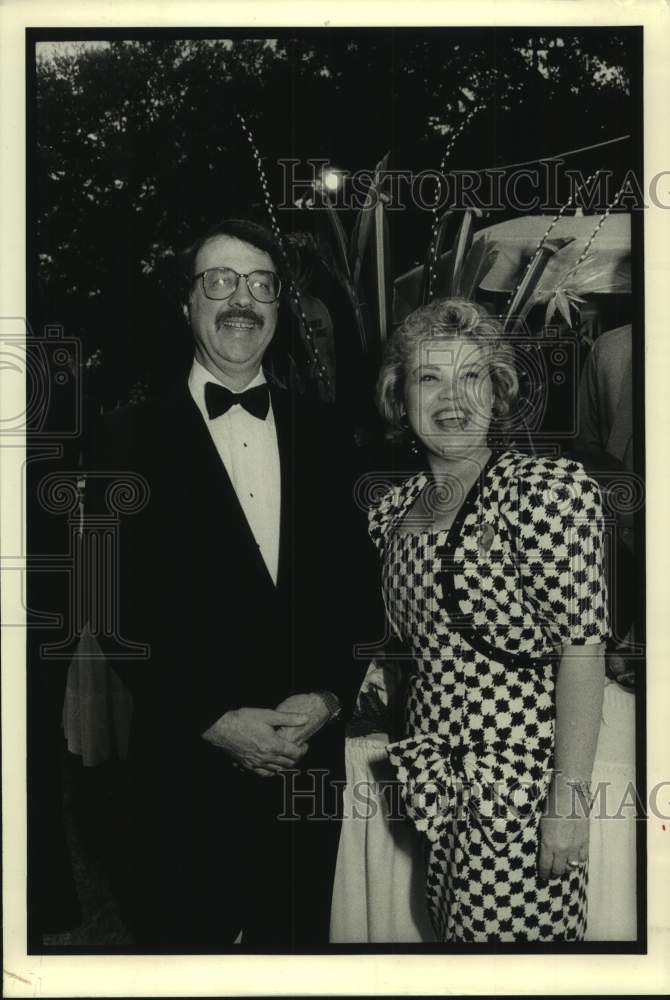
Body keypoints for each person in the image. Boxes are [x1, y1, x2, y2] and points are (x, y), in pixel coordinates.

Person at [89, 218, 370, 949]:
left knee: (297, 955)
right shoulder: (125, 437)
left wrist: (330, 694)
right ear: (187, 304)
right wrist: (213, 719)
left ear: (280, 308)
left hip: (306, 764)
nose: (241, 300)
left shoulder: (333, 435)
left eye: (261, 285)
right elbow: (110, 603)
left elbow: (359, 589)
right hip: (183, 770)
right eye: (220, 281)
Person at [366, 297, 609, 942]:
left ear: (499, 392)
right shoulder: (389, 513)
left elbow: (582, 652)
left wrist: (568, 805)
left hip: (520, 794)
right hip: (436, 792)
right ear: (399, 396)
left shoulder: (542, 492)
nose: (452, 398)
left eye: (471, 376)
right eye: (429, 378)